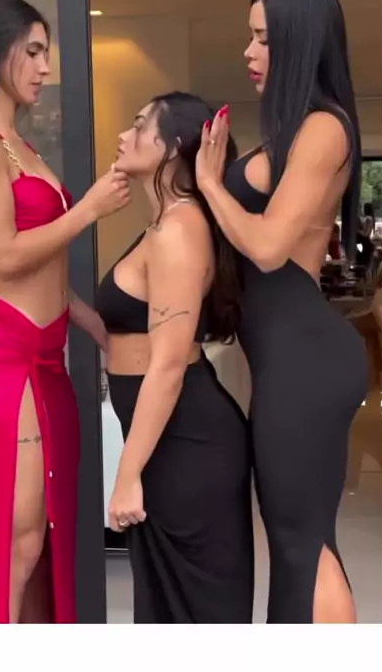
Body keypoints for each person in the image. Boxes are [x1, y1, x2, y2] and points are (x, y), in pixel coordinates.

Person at [195, 0, 368, 624]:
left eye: (263, 38)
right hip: (286, 358)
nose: (249, 51)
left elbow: (267, 247)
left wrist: (212, 185)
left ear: (299, 41)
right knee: (297, 537)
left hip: (306, 360)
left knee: (301, 541)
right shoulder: (292, 131)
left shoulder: (325, 127)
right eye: (250, 36)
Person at [0, 0, 131, 623]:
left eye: (47, 52)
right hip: (7, 360)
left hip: (47, 359)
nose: (46, 67)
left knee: (42, 542)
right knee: (15, 543)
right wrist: (89, 210)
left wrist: (93, 323)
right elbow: (0, 258)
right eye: (34, 51)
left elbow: (39, 264)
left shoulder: (19, 144)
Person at [96, 92, 255, 623]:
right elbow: (132, 327)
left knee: (193, 616)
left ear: (171, 148)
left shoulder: (179, 231)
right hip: (171, 443)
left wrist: (126, 473)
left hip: (187, 443)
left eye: (139, 126)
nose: (124, 135)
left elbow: (166, 365)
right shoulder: (165, 226)